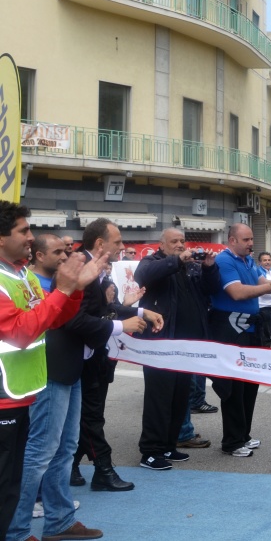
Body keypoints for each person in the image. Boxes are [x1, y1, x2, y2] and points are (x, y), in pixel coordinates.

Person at [7, 231, 135, 541]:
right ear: (38, 255)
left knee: (64, 449)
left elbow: (70, 316)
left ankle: (59, 521)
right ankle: (17, 530)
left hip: (69, 369)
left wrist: (85, 289)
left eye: (67, 253)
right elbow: (63, 322)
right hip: (47, 374)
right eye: (58, 253)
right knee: (40, 453)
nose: (65, 258)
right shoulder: (33, 283)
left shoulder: (41, 282)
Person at [73, 218, 163, 493]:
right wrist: (121, 325)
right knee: (90, 417)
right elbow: (78, 319)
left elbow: (107, 306)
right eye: (118, 242)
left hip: (94, 354)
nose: (123, 248)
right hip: (77, 356)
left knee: (89, 415)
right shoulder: (80, 269)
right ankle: (103, 469)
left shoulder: (99, 270)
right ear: (100, 244)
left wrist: (140, 311)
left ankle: (71, 464)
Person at [134, 229, 220, 471]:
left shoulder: (190, 266)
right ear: (162, 245)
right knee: (158, 399)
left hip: (186, 347)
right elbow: (143, 275)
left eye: (183, 241)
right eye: (175, 241)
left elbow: (210, 290)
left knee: (179, 398)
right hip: (161, 344)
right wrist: (177, 261)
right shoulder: (154, 262)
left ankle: (169, 445)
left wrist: (209, 267)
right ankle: (150, 452)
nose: (181, 245)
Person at [209, 224, 271, 456]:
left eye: (251, 239)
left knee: (250, 384)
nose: (251, 243)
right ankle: (232, 442)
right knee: (233, 387)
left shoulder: (248, 261)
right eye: (246, 239)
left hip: (249, 328)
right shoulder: (224, 261)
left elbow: (262, 286)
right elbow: (237, 292)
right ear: (232, 240)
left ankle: (243, 435)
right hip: (229, 328)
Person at [255, 251, 271, 348]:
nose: (267, 262)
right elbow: (264, 291)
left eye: (269, 260)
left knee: (267, 335)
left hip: (270, 308)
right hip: (263, 308)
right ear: (259, 262)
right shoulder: (260, 273)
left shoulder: (270, 272)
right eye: (264, 260)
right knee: (264, 337)